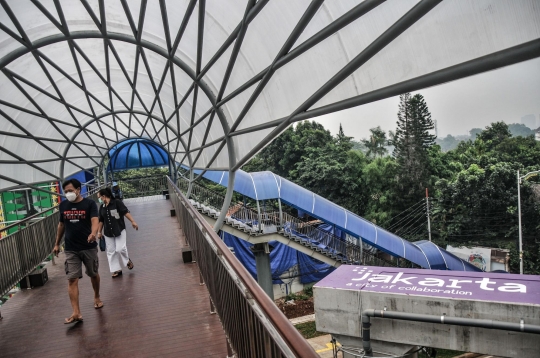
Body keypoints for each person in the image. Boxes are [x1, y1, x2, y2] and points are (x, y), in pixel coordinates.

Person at [54, 179, 103, 325]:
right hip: (70, 248)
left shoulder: (89, 204)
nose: (68, 193)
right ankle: (76, 312)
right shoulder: (63, 205)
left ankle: (96, 296)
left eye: (70, 190)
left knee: (93, 273)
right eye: (66, 191)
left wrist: (94, 233)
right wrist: (56, 244)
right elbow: (61, 225)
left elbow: (95, 220)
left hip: (88, 246)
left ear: (78, 190)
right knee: (72, 279)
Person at [97, 188, 138, 278]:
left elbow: (125, 212)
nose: (99, 199)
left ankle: (127, 260)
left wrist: (133, 221)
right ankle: (116, 270)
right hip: (108, 232)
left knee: (120, 248)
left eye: (99, 197)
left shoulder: (117, 203)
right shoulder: (102, 207)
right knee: (111, 251)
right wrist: (99, 232)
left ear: (104, 196)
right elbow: (101, 220)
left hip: (119, 229)